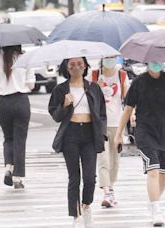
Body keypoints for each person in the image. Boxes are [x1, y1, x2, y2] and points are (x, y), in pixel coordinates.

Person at [114, 62, 165, 227]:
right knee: (152, 169)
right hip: (146, 132)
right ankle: (156, 209)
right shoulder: (139, 81)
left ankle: (154, 201)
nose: (156, 63)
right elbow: (128, 109)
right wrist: (119, 134)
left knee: (164, 174)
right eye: (153, 61)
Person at [48, 57, 106, 228]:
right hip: (70, 135)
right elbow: (56, 116)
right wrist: (64, 105)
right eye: (72, 64)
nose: (76, 67)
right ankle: (76, 216)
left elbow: (102, 113)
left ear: (86, 66)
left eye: (80, 63)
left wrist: (101, 132)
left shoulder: (93, 88)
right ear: (66, 67)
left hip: (89, 134)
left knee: (90, 178)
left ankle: (86, 206)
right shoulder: (60, 90)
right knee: (74, 178)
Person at [0, 45, 35, 189]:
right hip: (21, 101)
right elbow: (31, 85)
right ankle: (17, 177)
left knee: (8, 138)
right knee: (20, 140)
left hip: (3, 103)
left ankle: (8, 167)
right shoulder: (26, 58)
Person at [96, 56, 129, 207]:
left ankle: (111, 188)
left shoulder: (122, 75)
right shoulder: (94, 74)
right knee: (103, 160)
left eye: (112, 57)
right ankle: (107, 192)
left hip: (117, 123)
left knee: (114, 162)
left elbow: (128, 100)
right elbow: (88, 98)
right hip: (99, 124)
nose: (109, 60)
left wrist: (132, 117)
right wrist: (96, 86)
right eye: (107, 57)